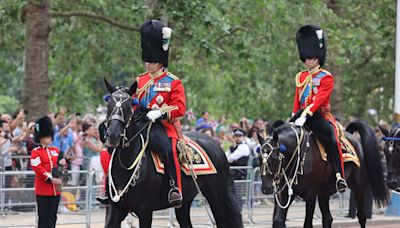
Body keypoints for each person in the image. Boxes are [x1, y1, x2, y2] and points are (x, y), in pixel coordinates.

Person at [133, 19, 186, 208]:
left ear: (160, 60)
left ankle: (174, 188)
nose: (147, 64)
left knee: (168, 149)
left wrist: (161, 113)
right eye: (146, 60)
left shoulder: (173, 82)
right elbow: (133, 103)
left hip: (163, 126)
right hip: (140, 125)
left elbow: (179, 108)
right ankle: (113, 188)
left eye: (151, 60)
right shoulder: (139, 80)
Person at [290, 24, 347, 193]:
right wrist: (294, 116)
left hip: (319, 116)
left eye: (311, 57)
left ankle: (339, 176)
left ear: (318, 57)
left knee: (331, 138)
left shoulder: (326, 77)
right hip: (301, 115)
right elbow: (297, 98)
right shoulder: (300, 76)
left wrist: (307, 113)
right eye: (306, 57)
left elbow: (320, 99)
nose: (308, 60)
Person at [30, 116, 66, 228]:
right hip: (43, 190)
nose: (50, 137)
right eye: (47, 136)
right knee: (43, 217)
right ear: (40, 137)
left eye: (50, 135)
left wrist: (63, 164)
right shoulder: (36, 152)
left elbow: (61, 167)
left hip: (56, 190)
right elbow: (37, 167)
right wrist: (50, 178)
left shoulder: (55, 150)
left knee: (53, 217)